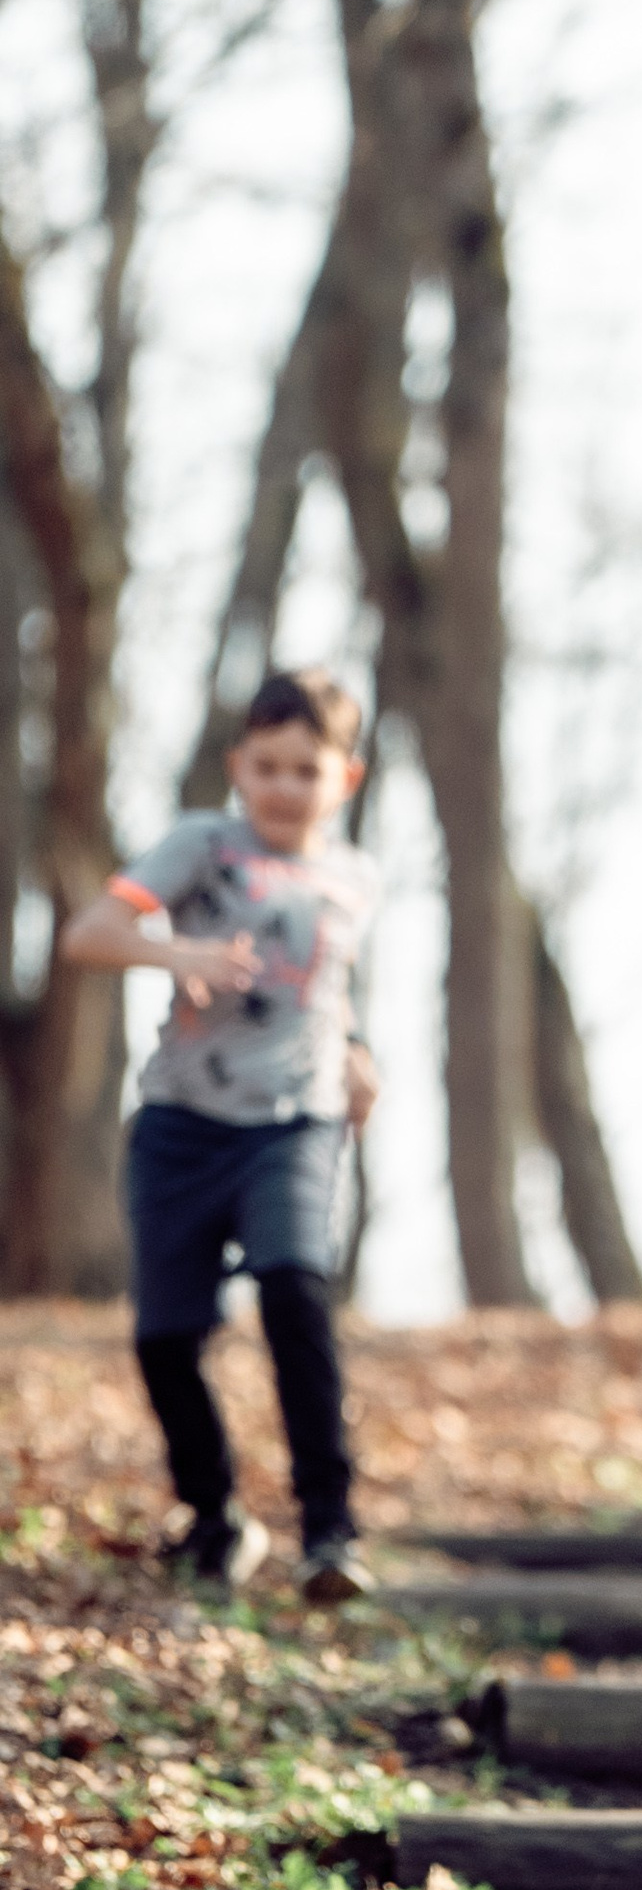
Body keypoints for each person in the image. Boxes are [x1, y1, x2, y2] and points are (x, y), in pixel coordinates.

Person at [60, 667, 382, 1604]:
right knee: (167, 1338)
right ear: (239, 766)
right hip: (182, 1121)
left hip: (296, 1119)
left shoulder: (356, 877)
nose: (285, 787)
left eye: (306, 770)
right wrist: (174, 951)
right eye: (268, 767)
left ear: (343, 780)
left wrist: (358, 1050)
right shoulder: (205, 845)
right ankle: (215, 1519)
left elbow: (324, 985)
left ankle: (330, 1531)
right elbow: (89, 932)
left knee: (294, 1287)